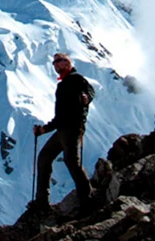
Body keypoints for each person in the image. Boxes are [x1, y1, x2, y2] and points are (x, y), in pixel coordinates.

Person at [28, 52, 95, 214]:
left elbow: (90, 91)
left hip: (72, 128)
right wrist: (44, 129)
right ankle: (42, 201)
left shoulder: (76, 79)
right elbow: (60, 116)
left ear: (67, 63)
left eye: (59, 61)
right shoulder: (64, 84)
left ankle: (88, 197)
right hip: (63, 128)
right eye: (54, 62)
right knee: (46, 158)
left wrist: (86, 97)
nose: (55, 65)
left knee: (71, 160)